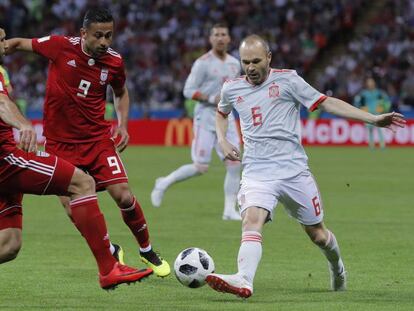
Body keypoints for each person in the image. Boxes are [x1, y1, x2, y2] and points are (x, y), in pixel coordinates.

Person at [206, 35, 406, 298]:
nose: (251, 67)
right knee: (251, 219)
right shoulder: (232, 88)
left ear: (269, 58)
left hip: (293, 172)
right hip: (257, 171)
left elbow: (326, 102)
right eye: (245, 62)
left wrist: (372, 119)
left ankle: (337, 268)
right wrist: (221, 139)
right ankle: (244, 279)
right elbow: (221, 113)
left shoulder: (288, 81)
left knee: (318, 235)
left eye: (256, 61)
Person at [6, 8, 170, 277]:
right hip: (60, 145)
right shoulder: (59, 46)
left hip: (97, 141)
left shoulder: (115, 62)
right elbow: (19, 43)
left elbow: (121, 92)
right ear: (83, 34)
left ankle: (147, 249)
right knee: (74, 211)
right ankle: (111, 251)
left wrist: (124, 124)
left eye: (109, 36)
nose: (104, 42)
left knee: (124, 196)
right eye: (98, 36)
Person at [151, 23, 242, 220]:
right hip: (206, 118)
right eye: (216, 34)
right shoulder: (202, 63)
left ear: (228, 39)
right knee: (201, 167)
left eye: (223, 34)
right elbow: (188, 90)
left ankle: (229, 210)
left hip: (227, 118)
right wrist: (210, 99)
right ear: (211, 39)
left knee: (235, 164)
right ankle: (164, 182)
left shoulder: (235, 64)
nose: (219, 38)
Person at [354, 78, 391, 149]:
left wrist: (384, 109)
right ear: (366, 84)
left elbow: (387, 100)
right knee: (369, 130)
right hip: (368, 114)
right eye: (369, 82)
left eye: (371, 82)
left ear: (374, 83)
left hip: (378, 113)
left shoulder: (379, 92)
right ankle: (371, 145)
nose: (370, 84)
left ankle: (382, 145)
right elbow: (357, 101)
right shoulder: (364, 93)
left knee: (381, 128)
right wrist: (361, 109)